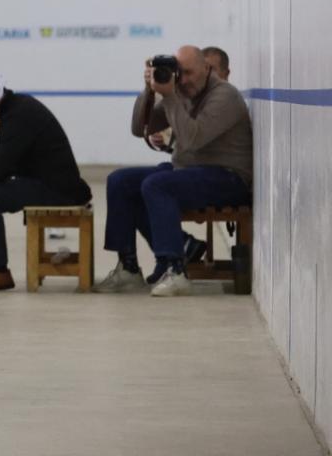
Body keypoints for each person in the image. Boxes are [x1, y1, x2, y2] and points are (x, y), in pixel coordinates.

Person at [96, 46, 252, 297]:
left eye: (190, 73)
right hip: (190, 171)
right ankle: (128, 267)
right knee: (121, 181)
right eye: (181, 73)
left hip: (228, 177)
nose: (185, 80)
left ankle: (175, 269)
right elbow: (140, 128)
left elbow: (192, 139)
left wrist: (170, 97)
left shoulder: (225, 96)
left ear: (207, 69)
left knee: (157, 185)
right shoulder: (182, 91)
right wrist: (149, 91)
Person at [0, 68, 92, 292]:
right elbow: (2, 166)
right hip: (51, 183)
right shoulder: (18, 107)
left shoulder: (18, 116)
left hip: (59, 190)